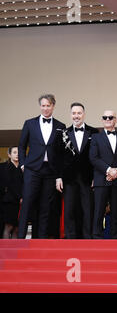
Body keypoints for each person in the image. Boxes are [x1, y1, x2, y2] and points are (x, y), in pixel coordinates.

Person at [17, 94, 66, 239]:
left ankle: (41, 241)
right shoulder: (29, 123)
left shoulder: (60, 126)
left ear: (53, 106)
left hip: (50, 171)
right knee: (27, 204)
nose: (45, 108)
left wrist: (59, 175)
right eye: (43, 105)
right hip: (32, 170)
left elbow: (60, 154)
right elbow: (21, 146)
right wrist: (22, 164)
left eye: (48, 105)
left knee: (46, 207)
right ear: (40, 106)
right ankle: (20, 239)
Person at [56, 102, 99, 239]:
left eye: (79, 113)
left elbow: (96, 156)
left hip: (88, 177)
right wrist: (59, 177)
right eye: (74, 113)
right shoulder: (63, 133)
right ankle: (70, 237)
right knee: (69, 209)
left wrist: (95, 177)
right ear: (70, 115)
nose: (76, 116)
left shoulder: (94, 132)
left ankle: (87, 237)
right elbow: (59, 157)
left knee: (88, 209)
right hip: (69, 178)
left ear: (84, 114)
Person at [90, 110, 117, 239]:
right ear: (102, 120)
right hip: (101, 179)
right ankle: (97, 237)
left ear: (116, 120)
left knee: (116, 211)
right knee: (99, 211)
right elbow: (93, 158)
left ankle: (115, 238)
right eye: (105, 117)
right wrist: (108, 170)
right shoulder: (95, 137)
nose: (107, 119)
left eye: (110, 117)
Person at [1, 147, 23, 239]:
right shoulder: (4, 167)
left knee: (17, 228)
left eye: (18, 152)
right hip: (9, 201)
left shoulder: (23, 167)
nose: (17, 154)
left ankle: (15, 251)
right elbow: (9, 184)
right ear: (9, 155)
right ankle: (5, 251)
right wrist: (20, 197)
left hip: (21, 203)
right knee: (8, 226)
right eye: (14, 152)